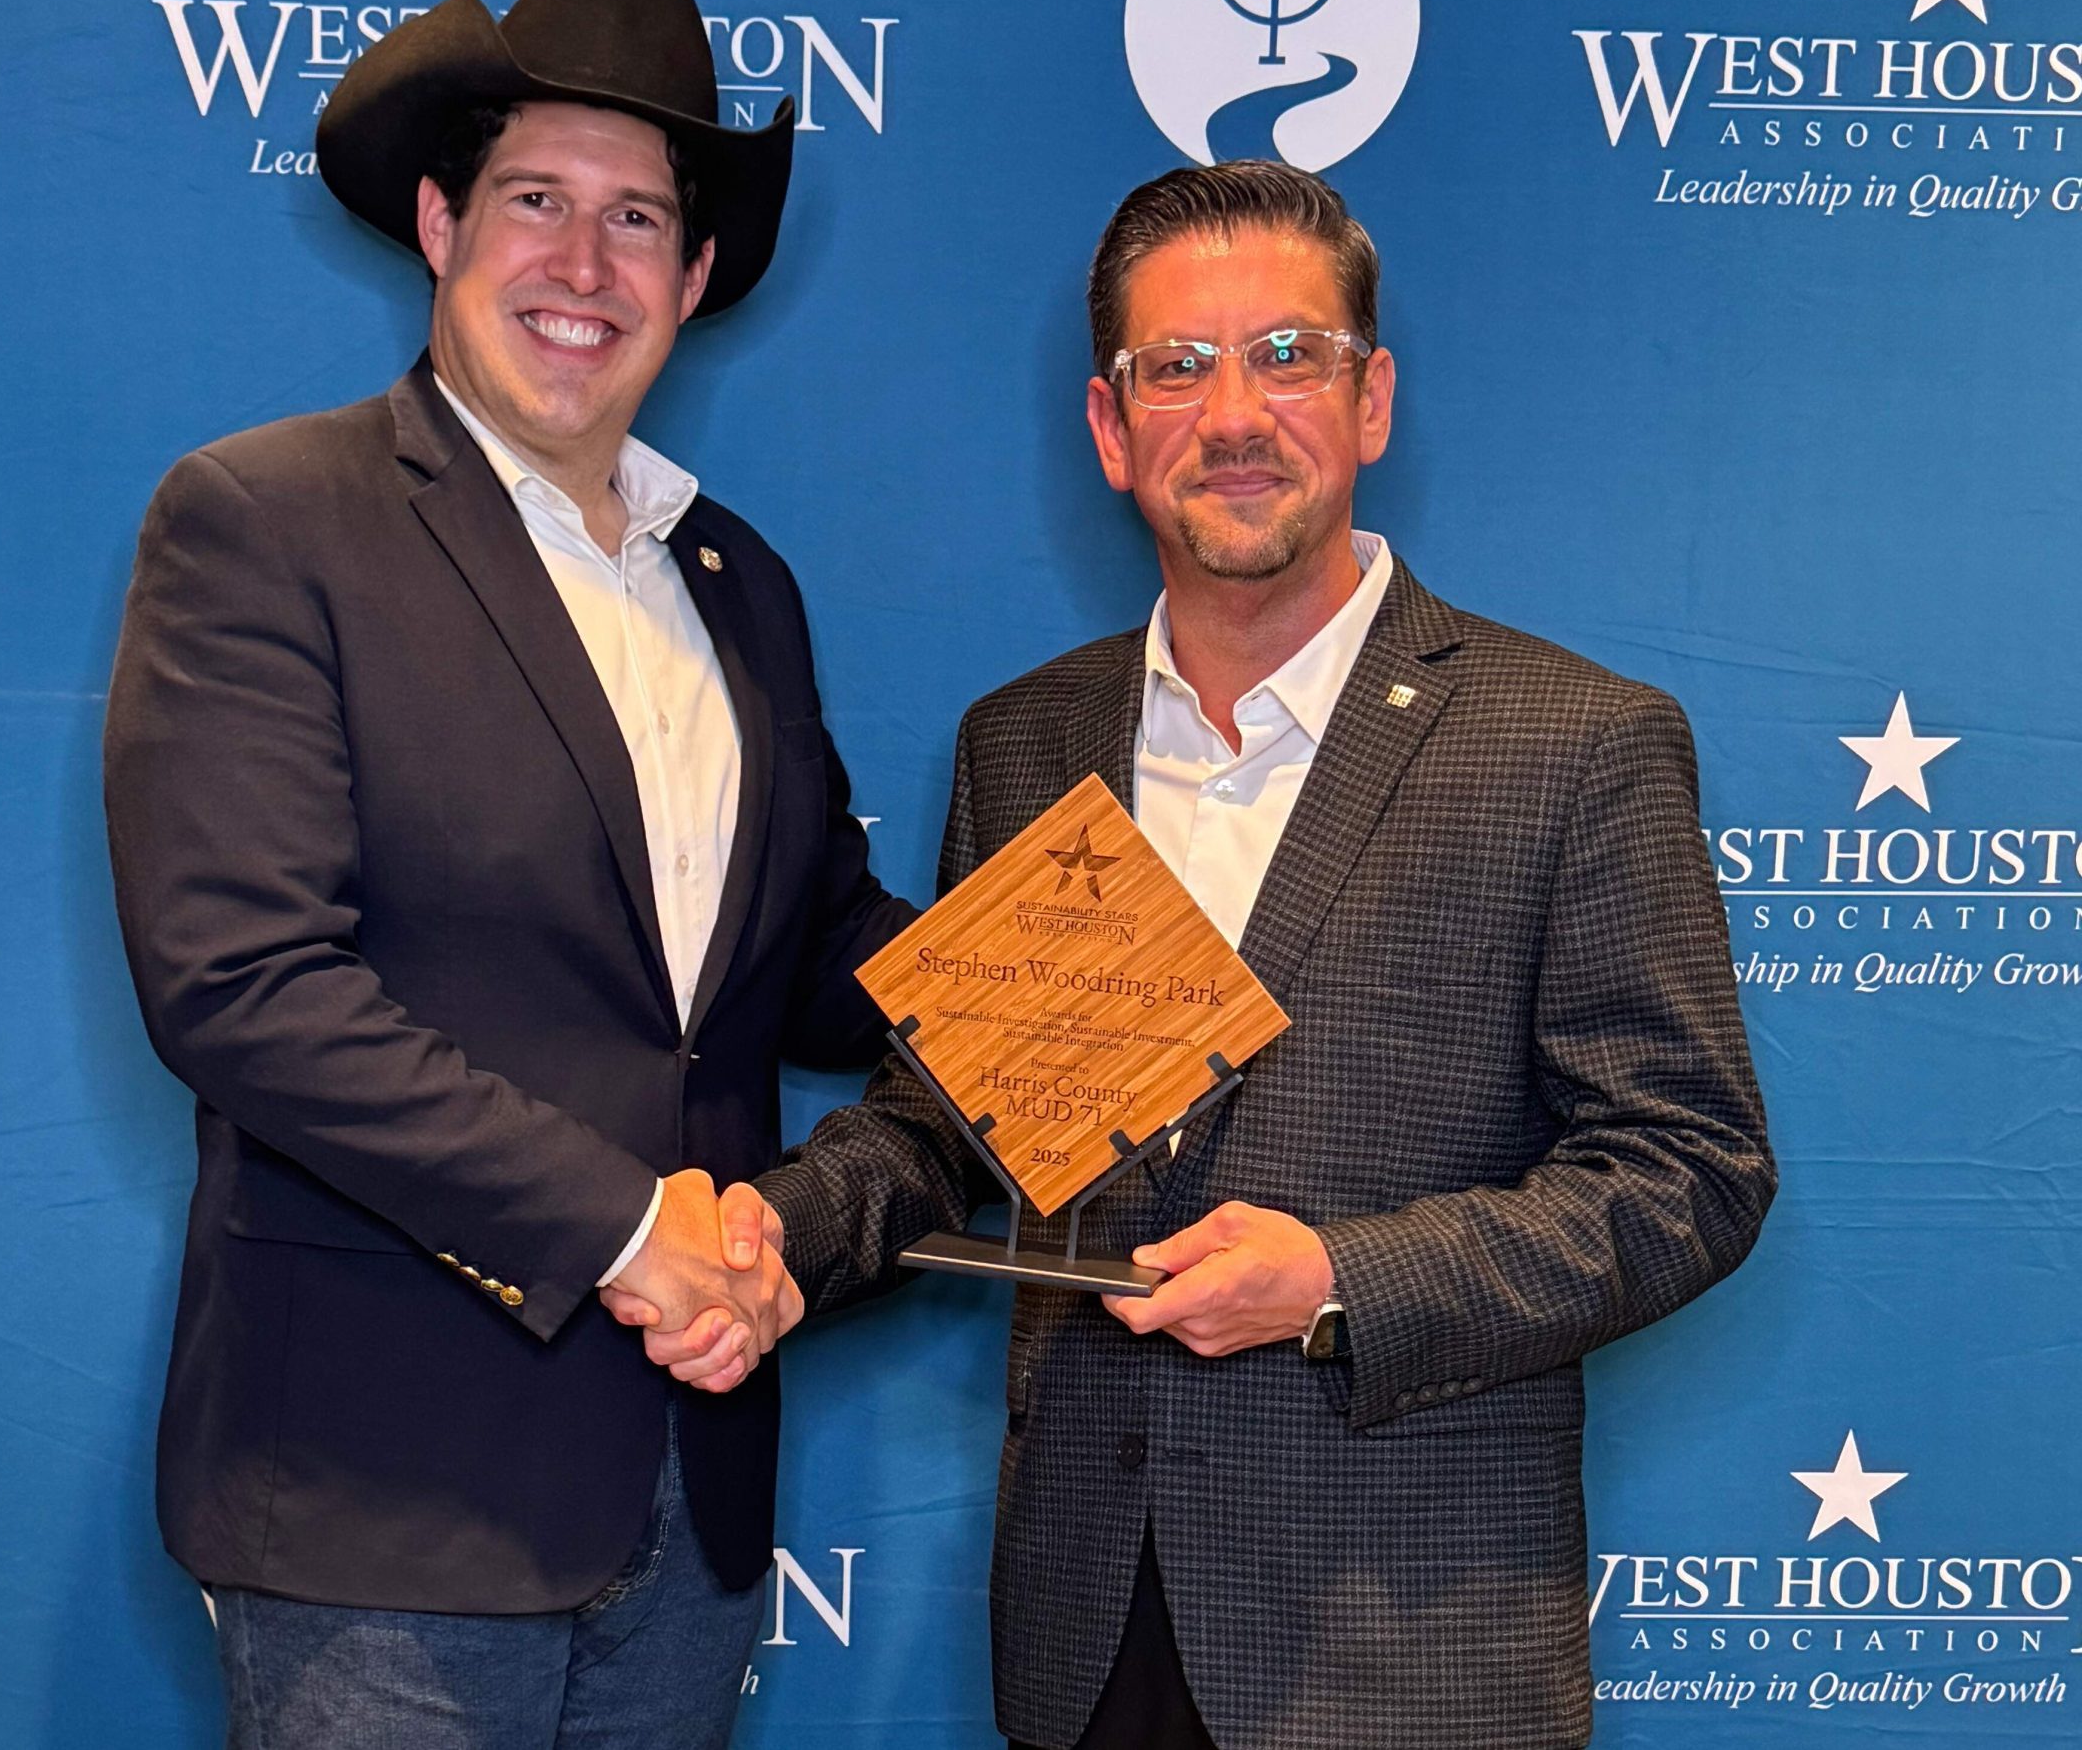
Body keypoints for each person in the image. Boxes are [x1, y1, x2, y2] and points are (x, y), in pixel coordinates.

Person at [682, 161, 1776, 1749]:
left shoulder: (1574, 743)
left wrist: (1337, 1281)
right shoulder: (1027, 742)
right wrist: (772, 1234)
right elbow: (957, 1118)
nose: (1237, 413)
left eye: (1289, 356)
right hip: (1086, 1634)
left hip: (1403, 1654)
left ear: (1372, 398)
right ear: (1113, 426)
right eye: (1179, 367)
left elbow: (1691, 1172)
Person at [102, 0, 911, 1750]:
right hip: (383, 1497)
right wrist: (623, 1227)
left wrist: (1113, 994)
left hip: (691, 1495)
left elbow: (807, 956)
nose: (583, 264)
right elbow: (243, 986)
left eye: (639, 220)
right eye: (537, 199)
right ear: (440, 224)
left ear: (696, 277)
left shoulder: (744, 584)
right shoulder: (265, 520)